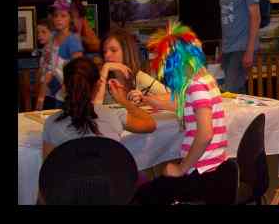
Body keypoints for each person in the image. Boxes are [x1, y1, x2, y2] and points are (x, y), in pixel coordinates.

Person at [133, 22, 230, 205]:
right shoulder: (206, 80)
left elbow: (205, 134)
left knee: (142, 196)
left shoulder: (196, 86)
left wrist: (181, 168)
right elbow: (181, 104)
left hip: (200, 172)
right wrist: (148, 100)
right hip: (212, 167)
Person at [41, 56, 156, 161]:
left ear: (64, 87)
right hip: (113, 181)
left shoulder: (52, 123)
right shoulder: (114, 115)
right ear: (98, 86)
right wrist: (124, 101)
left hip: (71, 183)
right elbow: (150, 124)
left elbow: (48, 170)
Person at [212, 0, 260, 94]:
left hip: (241, 48)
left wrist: (250, 50)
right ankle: (249, 118)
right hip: (228, 49)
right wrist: (222, 49)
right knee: (237, 93)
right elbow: (225, 19)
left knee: (230, 91)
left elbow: (255, 17)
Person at [99, 28, 169, 105]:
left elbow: (175, 98)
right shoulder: (102, 76)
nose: (107, 55)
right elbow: (95, 109)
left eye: (113, 50)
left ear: (127, 52)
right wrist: (105, 69)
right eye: (104, 52)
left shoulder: (139, 77)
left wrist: (145, 99)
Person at [37, 0, 84, 110]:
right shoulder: (51, 37)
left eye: (63, 16)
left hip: (64, 95)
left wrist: (65, 92)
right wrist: (41, 97)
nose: (58, 19)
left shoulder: (72, 41)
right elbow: (46, 68)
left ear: (70, 18)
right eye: (56, 15)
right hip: (48, 92)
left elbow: (78, 70)